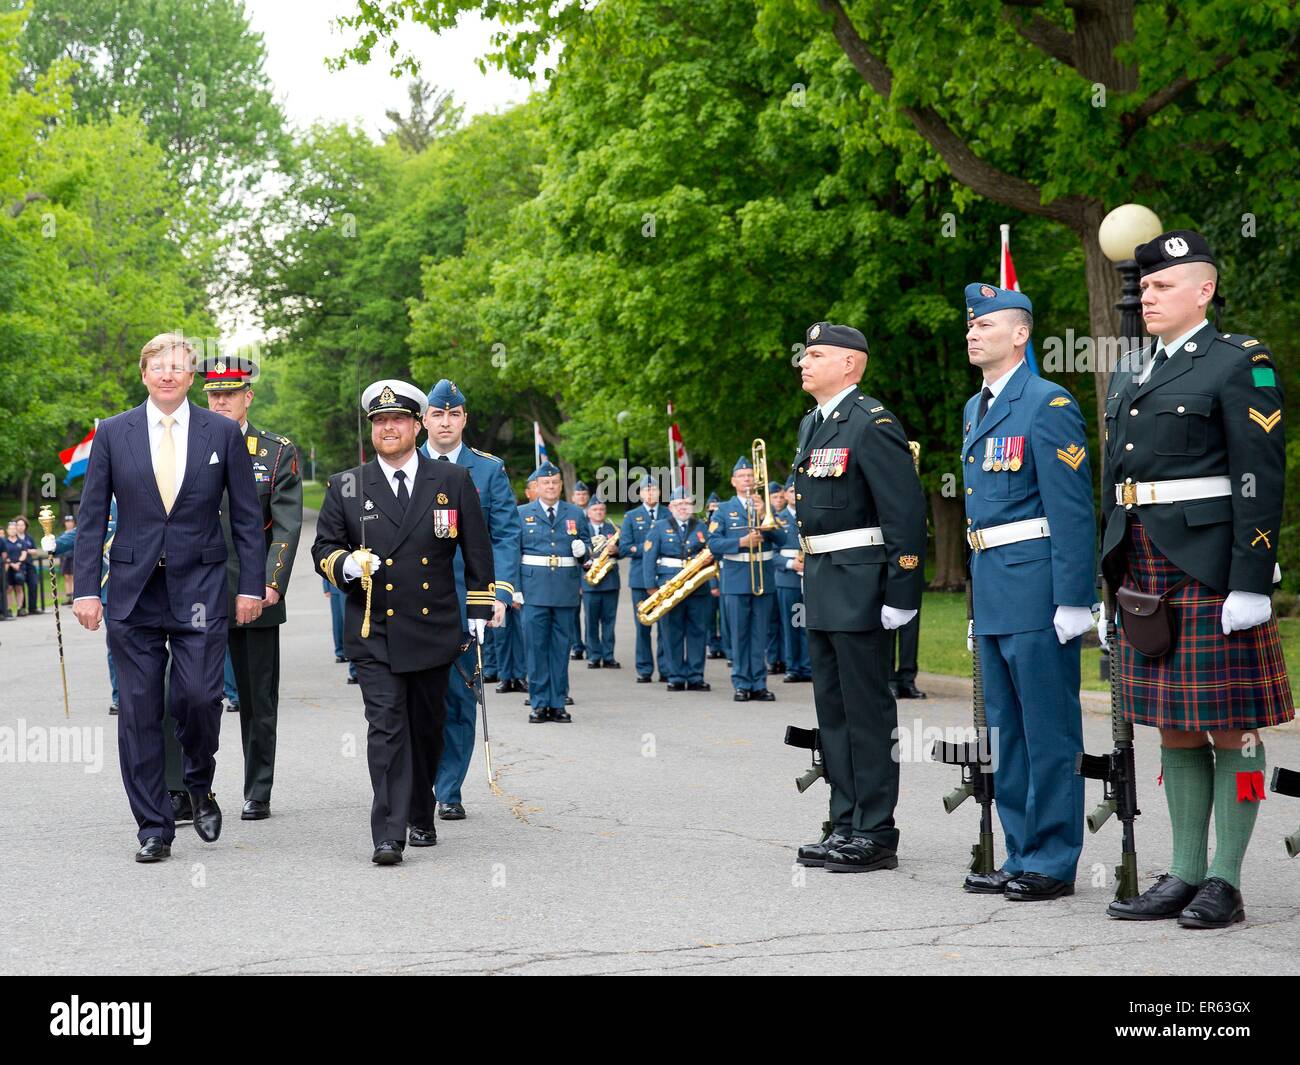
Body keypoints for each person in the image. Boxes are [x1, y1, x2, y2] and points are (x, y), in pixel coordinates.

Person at [1100, 230, 1293, 927]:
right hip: (1146, 568)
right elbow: (1114, 481)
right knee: (1175, 726)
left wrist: (1251, 577)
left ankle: (1226, 878)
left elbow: (1259, 472)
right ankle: (1183, 870)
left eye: (1161, 285)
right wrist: (1107, 575)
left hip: (1212, 568)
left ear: (1203, 290)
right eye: (1143, 287)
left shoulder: (1240, 361)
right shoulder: (1131, 371)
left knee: (1233, 732)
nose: (1146, 295)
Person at [72, 333, 266, 863]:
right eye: (158, 366)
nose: (167, 374)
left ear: (190, 376)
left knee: (200, 697)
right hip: (132, 593)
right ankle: (154, 825)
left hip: (199, 590)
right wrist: (86, 588)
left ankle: (198, 783)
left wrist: (251, 585)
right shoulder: (113, 433)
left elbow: (247, 518)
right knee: (137, 711)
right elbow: (91, 520)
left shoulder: (221, 432)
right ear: (144, 374)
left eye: (178, 366)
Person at [313, 379, 495, 864]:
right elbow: (323, 548)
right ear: (371, 429)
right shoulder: (346, 484)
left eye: (397, 420)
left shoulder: (451, 481)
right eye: (379, 421)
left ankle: (421, 811)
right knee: (387, 726)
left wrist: (478, 610)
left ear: (417, 425)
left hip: (434, 628)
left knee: (426, 726)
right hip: (375, 629)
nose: (388, 428)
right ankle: (389, 833)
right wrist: (347, 565)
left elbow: (477, 550)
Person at [960, 283, 1097, 900]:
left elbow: (1071, 509)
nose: (973, 332)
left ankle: (1052, 858)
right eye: (970, 325)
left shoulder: (1048, 402)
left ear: (1020, 334)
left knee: (1048, 728)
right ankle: (1020, 852)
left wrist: (1074, 597)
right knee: (1006, 732)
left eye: (986, 324)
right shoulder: (976, 408)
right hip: (993, 587)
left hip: (1038, 586)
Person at [791, 321, 927, 873]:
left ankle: (876, 830)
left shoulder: (872, 423)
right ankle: (844, 818)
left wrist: (902, 588)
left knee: (867, 710)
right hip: (824, 576)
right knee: (834, 709)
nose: (804, 362)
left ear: (850, 364)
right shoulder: (812, 425)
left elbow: (905, 511)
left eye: (816, 354)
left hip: (863, 579)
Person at [198, 353, 302, 821]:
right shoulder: (187, 446)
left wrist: (270, 584)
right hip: (194, 591)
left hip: (252, 592)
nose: (221, 400)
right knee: (187, 694)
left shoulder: (276, 451)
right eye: (214, 394)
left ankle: (257, 788)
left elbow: (285, 526)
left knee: (258, 698)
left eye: (230, 393)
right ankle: (187, 787)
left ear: (248, 397)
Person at [420, 378, 521, 820]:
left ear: (464, 419)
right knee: (416, 700)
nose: (446, 422)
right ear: (424, 419)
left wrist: (497, 592)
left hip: (466, 603)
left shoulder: (488, 469)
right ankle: (416, 783)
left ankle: (448, 789)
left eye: (454, 414)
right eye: (438, 414)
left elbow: (505, 534)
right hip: (413, 604)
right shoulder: (404, 462)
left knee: (460, 700)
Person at [517, 461, 592, 722]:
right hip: (533, 590)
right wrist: (514, 590)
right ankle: (538, 703)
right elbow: (512, 554)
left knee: (561, 648)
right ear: (536, 487)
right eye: (545, 483)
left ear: (561, 486)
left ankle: (558, 702)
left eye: (555, 482)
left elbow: (587, 551)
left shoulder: (575, 513)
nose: (550, 486)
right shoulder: (521, 513)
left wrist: (585, 554)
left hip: (564, 589)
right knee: (536, 649)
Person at [706, 457, 780, 702]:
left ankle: (759, 684)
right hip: (736, 579)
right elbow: (713, 543)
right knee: (738, 634)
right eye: (742, 476)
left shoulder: (766, 507)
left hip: (763, 578)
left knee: (760, 634)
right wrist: (740, 542)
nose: (747, 479)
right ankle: (741, 683)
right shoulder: (724, 510)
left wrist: (763, 515)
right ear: (733, 481)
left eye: (751, 475)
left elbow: (784, 539)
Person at [644, 486, 712, 691]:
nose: (683, 507)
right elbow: (649, 558)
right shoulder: (659, 527)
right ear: (670, 507)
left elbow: (712, 559)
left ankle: (695, 676)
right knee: (671, 631)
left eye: (687, 503)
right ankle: (675, 676)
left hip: (698, 587)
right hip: (669, 587)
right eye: (678, 504)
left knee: (698, 632)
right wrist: (651, 586)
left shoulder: (702, 527)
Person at [619, 475, 669, 682]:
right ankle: (644, 669)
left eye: (654, 490)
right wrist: (651, 549)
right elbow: (624, 547)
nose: (650, 494)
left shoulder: (668, 513)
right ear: (640, 493)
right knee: (643, 626)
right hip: (640, 578)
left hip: (665, 576)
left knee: (666, 626)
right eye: (646, 490)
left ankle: (666, 668)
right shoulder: (632, 516)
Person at [773, 474, 812, 683]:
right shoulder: (777, 520)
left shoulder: (811, 515)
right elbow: (770, 553)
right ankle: (793, 667)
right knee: (790, 625)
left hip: (811, 577)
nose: (795, 495)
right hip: (788, 578)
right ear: (785, 494)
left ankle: (808, 666)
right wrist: (790, 564)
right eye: (790, 491)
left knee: (808, 622)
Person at [582, 498, 621, 668]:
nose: (599, 512)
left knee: (609, 621)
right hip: (589, 582)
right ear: (589, 512)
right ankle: (594, 655)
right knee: (591, 621)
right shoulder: (583, 529)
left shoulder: (612, 529)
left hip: (610, 582)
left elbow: (625, 549)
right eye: (595, 509)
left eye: (602, 509)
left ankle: (608, 655)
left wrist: (617, 550)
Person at [569, 480, 592, 661]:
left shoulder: (595, 513)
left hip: (593, 568)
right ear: (573, 497)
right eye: (578, 494)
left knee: (590, 613)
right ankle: (577, 645)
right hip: (575, 571)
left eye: (584, 494)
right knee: (574, 612)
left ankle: (591, 646)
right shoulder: (569, 515)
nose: (581, 497)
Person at [704, 491, 726, 659]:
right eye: (711, 508)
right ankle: (712, 644)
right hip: (710, 575)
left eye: (717, 507)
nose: (714, 510)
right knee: (710, 615)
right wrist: (712, 584)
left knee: (725, 617)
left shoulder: (724, 525)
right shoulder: (704, 528)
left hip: (725, 574)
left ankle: (725, 646)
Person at [324, 576, 357, 682]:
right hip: (347, 580)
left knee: (342, 619)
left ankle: (342, 652)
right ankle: (354, 670)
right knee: (349, 621)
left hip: (336, 580)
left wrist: (327, 585)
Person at [14, 516, 42, 614]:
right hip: (19, 565)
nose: (21, 527)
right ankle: (22, 608)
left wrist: (27, 551)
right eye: (18, 525)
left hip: (29, 564)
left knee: (33, 584)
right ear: (15, 526)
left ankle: (33, 608)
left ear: (26, 526)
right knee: (20, 585)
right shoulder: (13, 537)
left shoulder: (29, 537)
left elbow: (35, 551)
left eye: (22, 525)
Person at [4, 521, 27, 616]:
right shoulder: (4, 542)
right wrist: (11, 564)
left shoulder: (21, 542)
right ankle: (9, 609)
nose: (12, 531)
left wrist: (18, 562)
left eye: (14, 529)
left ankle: (20, 608)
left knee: (19, 588)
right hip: (8, 568)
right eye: (10, 529)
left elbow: (24, 553)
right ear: (7, 530)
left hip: (19, 568)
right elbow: (4, 555)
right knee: (9, 588)